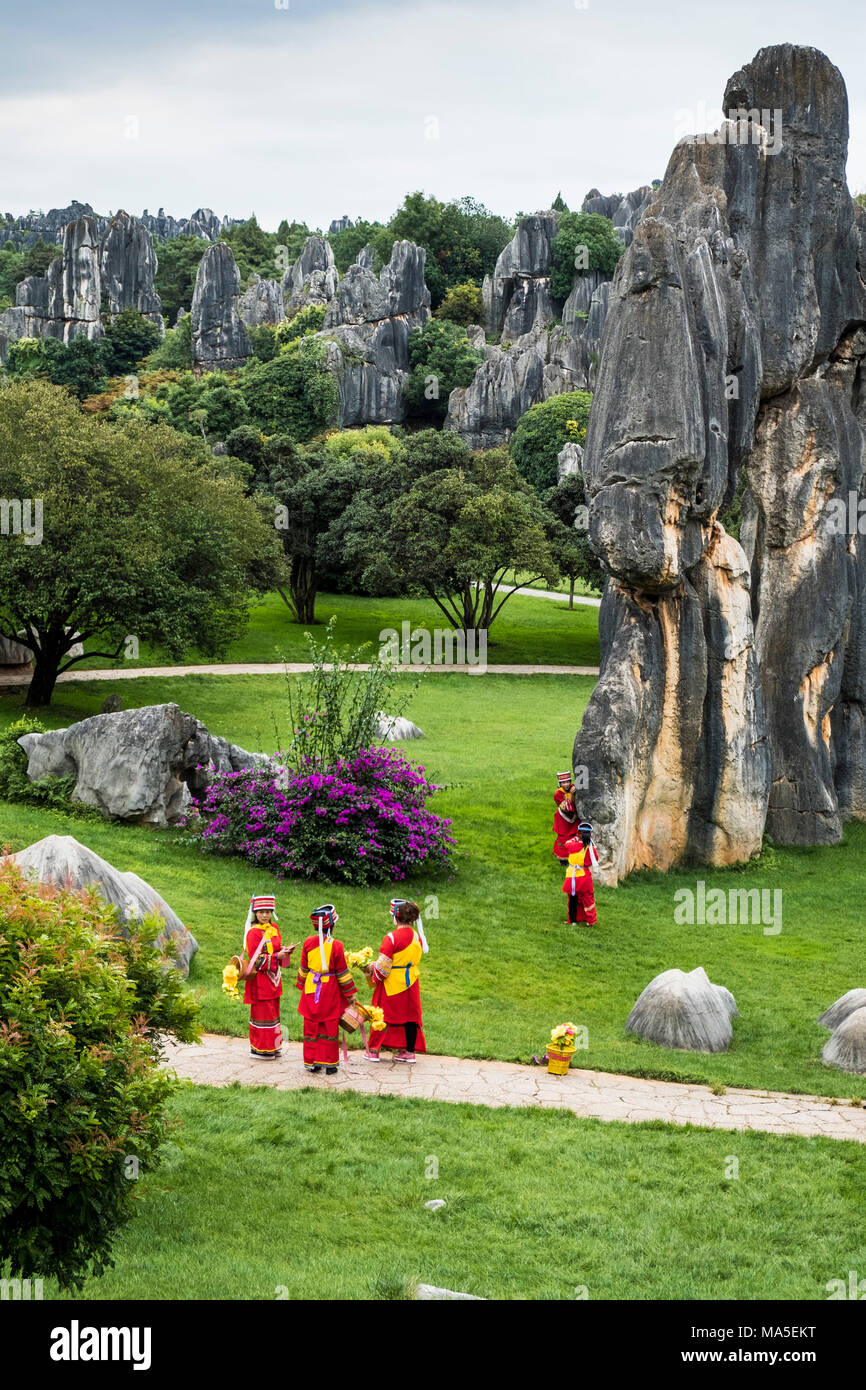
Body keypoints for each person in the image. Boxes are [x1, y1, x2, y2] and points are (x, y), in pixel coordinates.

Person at [363, 899, 428, 1064]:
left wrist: (371, 970)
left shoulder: (391, 938)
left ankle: (374, 1050)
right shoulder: (416, 937)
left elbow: (383, 968)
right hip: (411, 980)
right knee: (411, 1016)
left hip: (392, 981)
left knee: (382, 1014)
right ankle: (409, 1051)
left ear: (396, 917)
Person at [296, 905, 357, 1075]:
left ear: (316, 926)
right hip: (329, 989)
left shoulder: (308, 942)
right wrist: (350, 994)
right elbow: (342, 973)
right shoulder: (337, 945)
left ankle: (311, 1061)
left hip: (311, 988)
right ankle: (330, 1063)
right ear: (333, 925)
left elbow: (303, 968)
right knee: (329, 1025)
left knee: (311, 1025)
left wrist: (301, 984)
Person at [242, 894, 295, 1059]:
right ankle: (260, 1048)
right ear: (255, 913)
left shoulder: (274, 929)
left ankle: (273, 1046)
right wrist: (277, 957)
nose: (265, 915)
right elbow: (255, 961)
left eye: (268, 911)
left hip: (274, 978)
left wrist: (285, 951)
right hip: (260, 979)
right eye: (261, 912)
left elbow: (276, 948)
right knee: (262, 1012)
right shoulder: (253, 933)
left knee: (273, 1013)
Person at [561, 821, 599, 925]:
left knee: (572, 899)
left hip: (572, 876)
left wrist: (576, 838)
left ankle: (572, 920)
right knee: (588, 898)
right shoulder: (591, 849)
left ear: (579, 834)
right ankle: (590, 920)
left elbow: (567, 844)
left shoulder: (572, 845)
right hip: (584, 876)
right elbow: (594, 859)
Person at [553, 771, 579, 863]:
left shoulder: (574, 788)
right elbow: (566, 808)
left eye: (568, 781)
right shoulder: (558, 794)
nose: (566, 784)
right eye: (563, 782)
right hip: (563, 819)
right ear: (560, 784)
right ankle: (563, 859)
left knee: (575, 835)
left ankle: (574, 855)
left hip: (574, 817)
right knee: (563, 837)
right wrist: (572, 795)